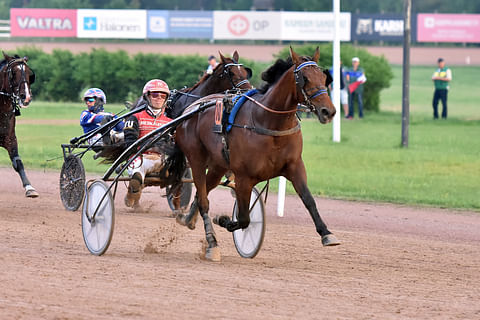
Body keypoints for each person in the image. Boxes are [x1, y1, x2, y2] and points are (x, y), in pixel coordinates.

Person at [123, 79, 173, 209]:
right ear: (147, 97)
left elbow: (174, 145)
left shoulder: (170, 122)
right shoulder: (135, 117)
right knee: (137, 171)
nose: (159, 98)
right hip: (139, 157)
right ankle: (134, 190)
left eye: (163, 96)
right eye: (155, 95)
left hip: (159, 159)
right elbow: (129, 143)